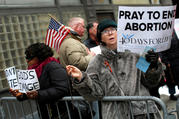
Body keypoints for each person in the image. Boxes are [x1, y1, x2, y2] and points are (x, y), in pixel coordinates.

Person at [66, 19, 164, 119]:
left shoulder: (136, 54)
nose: (110, 33)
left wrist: (153, 65)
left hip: (143, 113)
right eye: (105, 31)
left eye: (113, 29)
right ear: (101, 38)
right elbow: (95, 94)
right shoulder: (96, 62)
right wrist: (81, 78)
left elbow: (150, 82)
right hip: (116, 115)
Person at [9, 43, 77, 119]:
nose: (27, 60)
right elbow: (32, 90)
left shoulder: (53, 66)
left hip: (62, 112)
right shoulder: (33, 70)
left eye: (29, 57)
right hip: (46, 112)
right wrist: (21, 94)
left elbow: (62, 88)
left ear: (39, 57)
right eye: (26, 57)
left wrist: (38, 94)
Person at [159, 30, 179, 100]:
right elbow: (161, 51)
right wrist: (166, 61)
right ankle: (172, 93)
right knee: (170, 79)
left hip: (177, 58)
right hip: (169, 61)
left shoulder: (174, 32)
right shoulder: (161, 35)